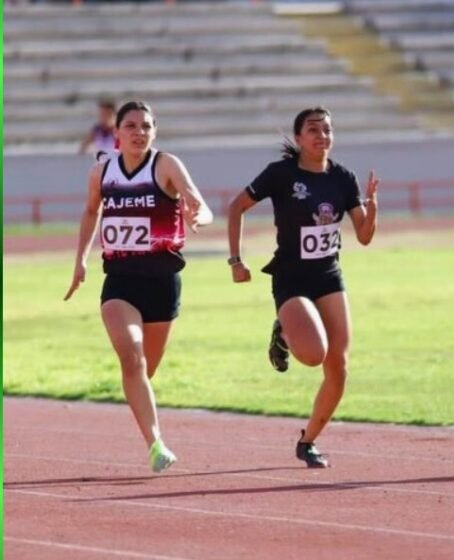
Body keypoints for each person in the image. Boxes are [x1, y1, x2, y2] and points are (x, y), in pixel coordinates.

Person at [64, 100, 213, 473]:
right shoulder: (102, 171)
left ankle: (140, 408)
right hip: (120, 283)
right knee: (133, 356)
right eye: (130, 126)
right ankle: (156, 445)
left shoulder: (166, 165)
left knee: (145, 370)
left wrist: (200, 214)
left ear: (154, 131)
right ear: (116, 133)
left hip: (163, 283)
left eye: (146, 126)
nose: (139, 132)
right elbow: (90, 211)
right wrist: (81, 259)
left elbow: (199, 202)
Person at [227, 106, 379, 469]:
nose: (322, 135)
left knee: (339, 366)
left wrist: (372, 209)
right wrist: (236, 261)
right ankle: (285, 331)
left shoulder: (343, 177)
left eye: (327, 129)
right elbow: (236, 207)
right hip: (291, 278)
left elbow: (364, 236)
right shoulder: (281, 174)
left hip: (328, 276)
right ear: (299, 138)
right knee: (313, 355)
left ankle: (308, 440)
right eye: (313, 130)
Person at [78, 98, 117, 163]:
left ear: (112, 114)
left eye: (106, 114)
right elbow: (83, 148)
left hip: (115, 165)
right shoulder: (96, 130)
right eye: (101, 114)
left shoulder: (118, 131)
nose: (103, 117)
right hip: (100, 166)